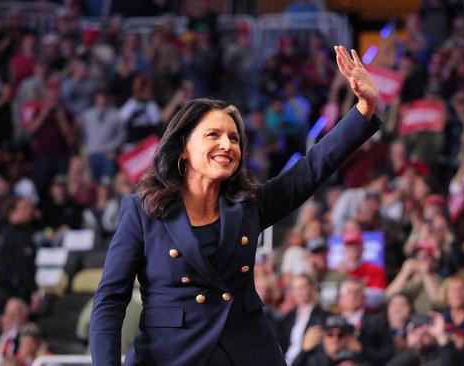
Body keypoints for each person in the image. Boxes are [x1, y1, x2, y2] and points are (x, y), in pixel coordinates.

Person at [90, 45, 381, 366]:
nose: (226, 145)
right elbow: (110, 301)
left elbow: (312, 168)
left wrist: (364, 109)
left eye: (233, 138)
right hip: (169, 354)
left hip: (246, 352)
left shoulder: (248, 205)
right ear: (183, 148)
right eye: (213, 135)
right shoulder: (142, 211)